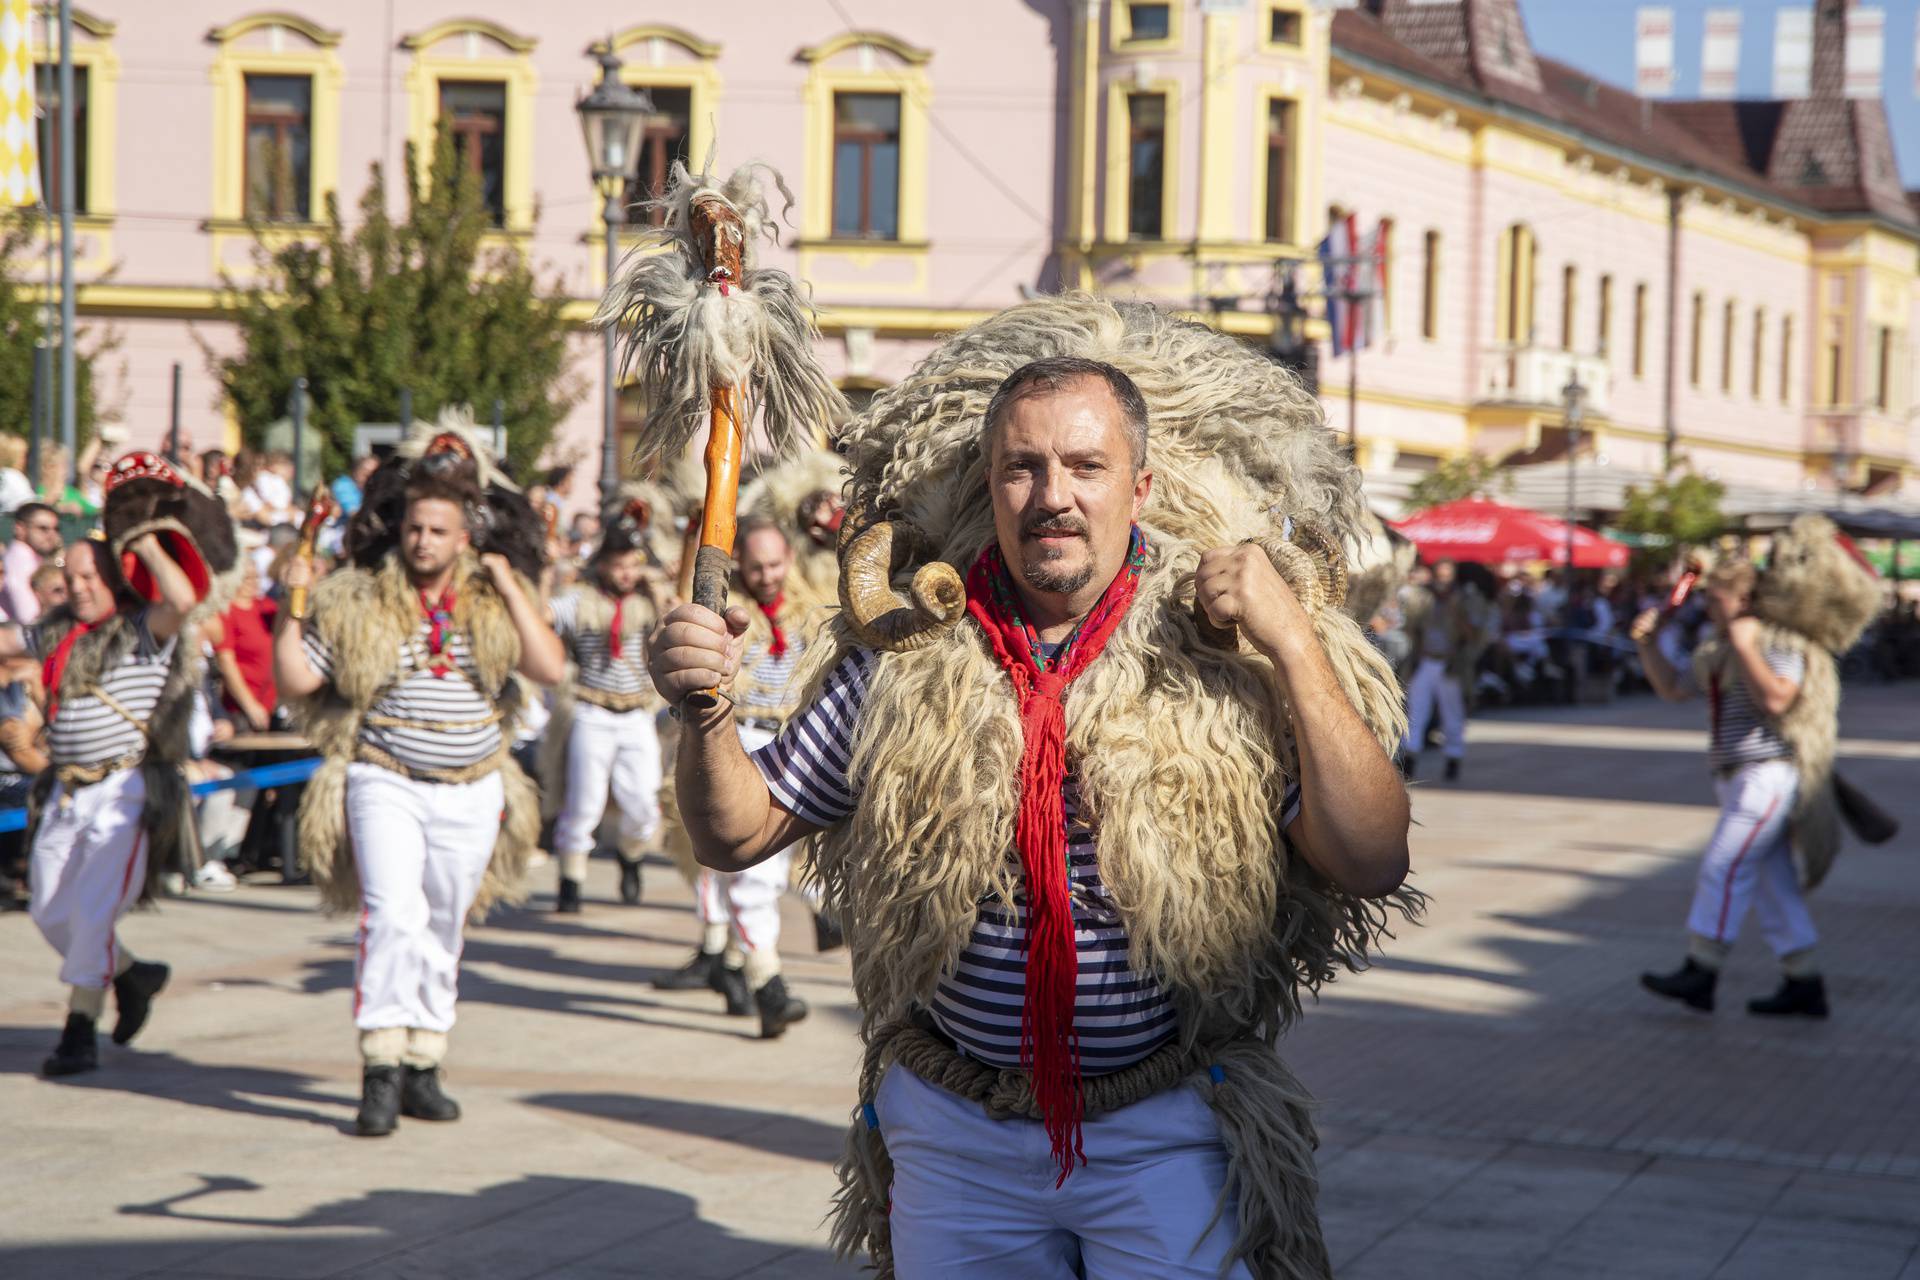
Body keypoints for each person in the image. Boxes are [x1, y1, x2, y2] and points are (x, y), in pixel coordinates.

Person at [650, 308, 1416, 1279]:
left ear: (1138, 485)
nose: (1052, 494)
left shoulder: (1226, 647)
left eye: (1084, 466)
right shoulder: (908, 651)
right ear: (989, 480)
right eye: (1023, 466)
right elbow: (739, 830)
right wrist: (706, 713)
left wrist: (1293, 641)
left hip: (1166, 1125)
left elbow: (1372, 855)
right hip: (959, 1136)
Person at [275, 415, 563, 1138]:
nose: (424, 541)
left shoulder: (493, 597)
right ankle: (378, 1063)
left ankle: (425, 1059)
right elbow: (299, 676)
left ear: (464, 534)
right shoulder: (358, 594)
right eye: (415, 529)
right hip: (385, 777)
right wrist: (295, 598)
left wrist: (507, 579)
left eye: (438, 530)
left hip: (473, 783)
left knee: (443, 921)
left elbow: (550, 668)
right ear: (399, 530)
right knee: (389, 914)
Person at [24, 453, 242, 1078]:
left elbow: (185, 596)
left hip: (124, 789)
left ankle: (78, 1031)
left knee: (91, 912)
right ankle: (133, 974)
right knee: (48, 910)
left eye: (91, 576)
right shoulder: (60, 631)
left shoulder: (144, 628)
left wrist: (141, 541)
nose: (79, 587)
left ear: (113, 577)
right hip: (65, 792)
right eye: (70, 577)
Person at [1632, 520, 1880, 1019]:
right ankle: (1804, 981)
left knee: (1723, 866)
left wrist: (1747, 646)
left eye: (1716, 599)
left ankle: (1702, 969)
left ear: (1742, 600)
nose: (1708, 606)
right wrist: (1647, 644)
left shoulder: (1777, 642)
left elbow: (1777, 697)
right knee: (1773, 886)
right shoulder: (1722, 648)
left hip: (1769, 773)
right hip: (1737, 777)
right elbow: (1675, 686)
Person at [653, 515, 814, 1037]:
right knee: (750, 873)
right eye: (756, 566)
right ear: (741, 564)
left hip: (792, 744)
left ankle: (734, 964)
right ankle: (768, 982)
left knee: (770, 872)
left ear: (788, 560)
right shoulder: (725, 615)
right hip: (737, 738)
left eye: (775, 564)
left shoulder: (812, 608)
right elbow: (677, 625)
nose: (767, 575)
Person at [543, 500, 668, 913]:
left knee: (644, 805)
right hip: (591, 711)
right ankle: (570, 880)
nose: (625, 572)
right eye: (617, 564)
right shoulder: (580, 601)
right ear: (602, 564)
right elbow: (544, 615)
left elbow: (678, 613)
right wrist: (547, 570)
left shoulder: (649, 602)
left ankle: (631, 856)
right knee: (583, 802)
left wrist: (661, 586)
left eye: (632, 563)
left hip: (636, 714)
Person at [1396, 558, 1488, 780]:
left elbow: (1475, 633)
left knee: (1452, 713)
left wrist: (1457, 613)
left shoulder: (1465, 599)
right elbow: (1410, 626)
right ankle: (1410, 758)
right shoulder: (1423, 597)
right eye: (1438, 576)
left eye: (1446, 576)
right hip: (1425, 661)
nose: (1442, 581)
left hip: (1451, 664)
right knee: (1416, 712)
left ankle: (1453, 758)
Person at [4, 501, 64, 624]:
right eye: (43, 529)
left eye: (56, 529)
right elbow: (28, 618)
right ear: (20, 529)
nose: (52, 535)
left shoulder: (31, 558)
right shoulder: (19, 561)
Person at [332, 453, 379, 518]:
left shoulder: (371, 490)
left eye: (372, 473)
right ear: (357, 469)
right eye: (364, 470)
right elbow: (353, 513)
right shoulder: (343, 485)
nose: (367, 475)